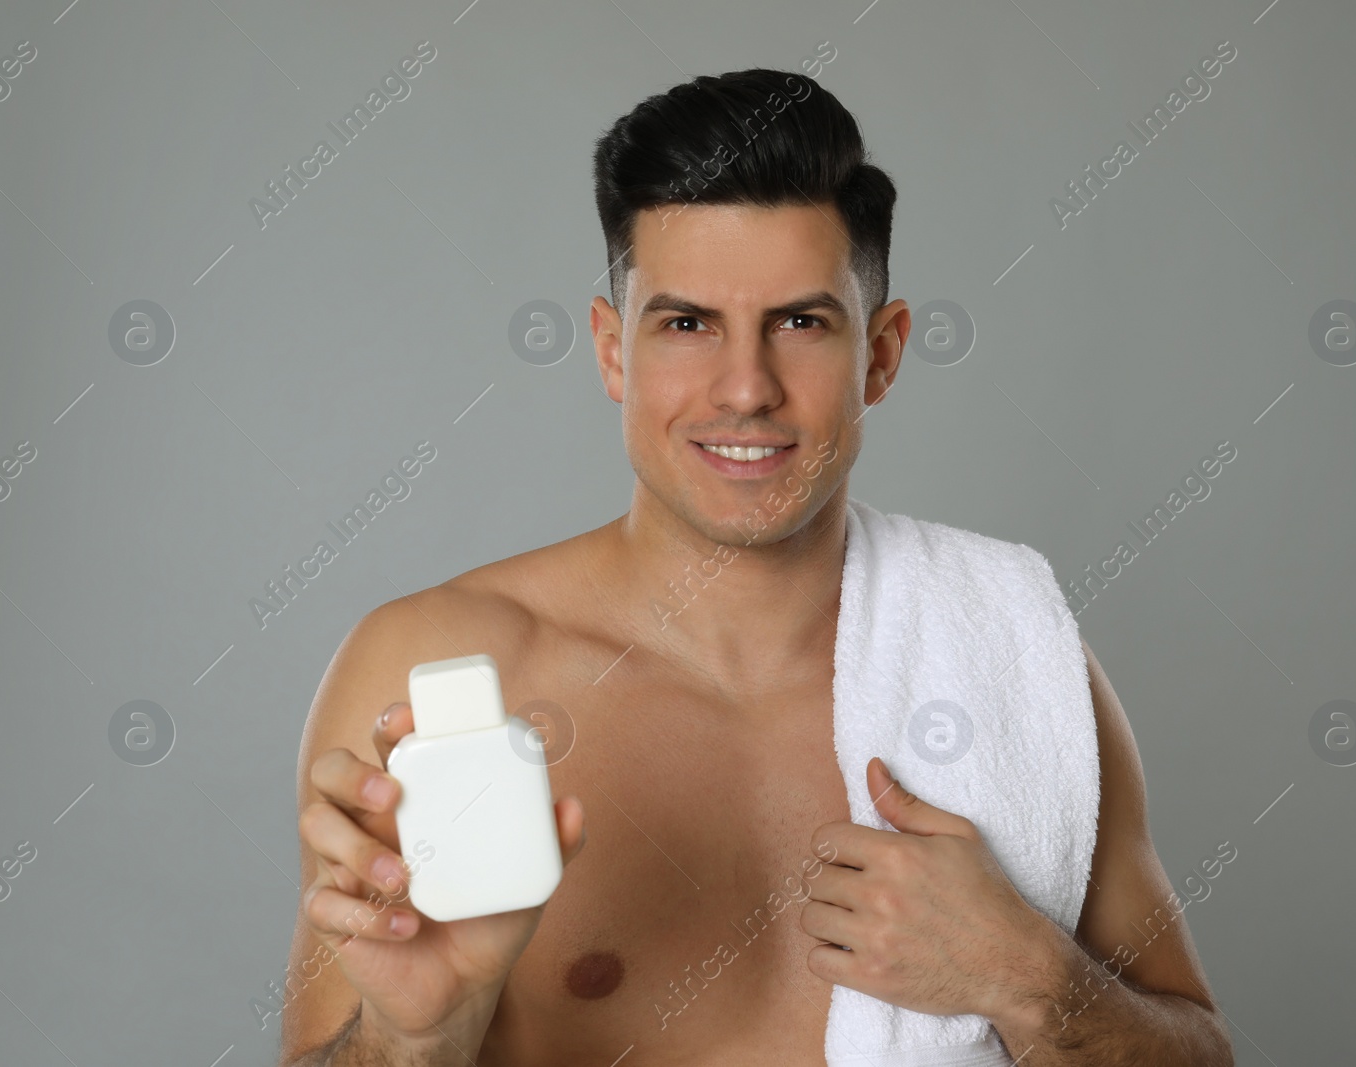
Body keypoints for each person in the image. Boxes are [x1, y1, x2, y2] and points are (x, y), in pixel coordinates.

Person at [281, 68, 1234, 1066]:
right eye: (687, 323)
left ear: (881, 353)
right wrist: (413, 1035)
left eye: (801, 322)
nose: (745, 388)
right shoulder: (435, 676)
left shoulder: (1016, 654)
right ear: (613, 352)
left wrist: (1028, 976)